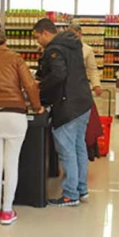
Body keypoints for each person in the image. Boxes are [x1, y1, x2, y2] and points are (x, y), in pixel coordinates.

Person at [0, 28, 43, 225]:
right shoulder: (15, 58)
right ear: (5, 42)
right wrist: (37, 106)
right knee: (11, 164)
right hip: (15, 115)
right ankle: (7, 211)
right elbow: (30, 85)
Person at [33, 18, 93, 207]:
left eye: (37, 37)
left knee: (67, 151)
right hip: (83, 102)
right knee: (79, 147)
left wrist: (40, 87)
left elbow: (58, 75)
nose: (37, 42)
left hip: (67, 105)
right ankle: (81, 189)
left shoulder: (54, 50)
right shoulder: (73, 45)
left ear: (45, 33)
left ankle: (70, 195)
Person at [68, 23, 104, 161]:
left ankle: (86, 149)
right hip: (67, 90)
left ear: (80, 34)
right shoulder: (63, 48)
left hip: (82, 90)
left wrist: (96, 85)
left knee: (88, 124)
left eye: (74, 34)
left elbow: (93, 69)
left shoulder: (87, 50)